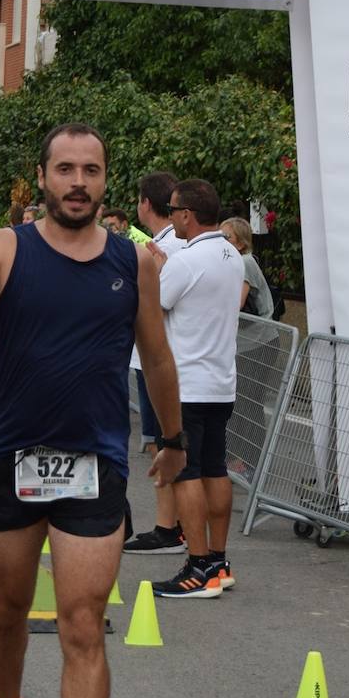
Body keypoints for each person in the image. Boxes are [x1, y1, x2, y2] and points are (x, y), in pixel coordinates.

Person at [0, 124, 184, 698]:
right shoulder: (4, 248)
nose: (77, 182)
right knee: (6, 607)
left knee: (81, 624)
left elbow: (156, 357)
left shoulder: (136, 262)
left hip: (96, 465)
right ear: (41, 178)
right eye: (64, 169)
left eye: (90, 170)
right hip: (12, 456)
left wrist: (175, 441)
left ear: (105, 180)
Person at [147, 179, 244, 599]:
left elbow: (154, 304)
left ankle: (199, 565)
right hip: (221, 381)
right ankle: (219, 562)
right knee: (215, 470)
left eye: (172, 211)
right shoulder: (231, 254)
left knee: (185, 473)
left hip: (187, 382)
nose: (170, 218)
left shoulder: (187, 260)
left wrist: (154, 267)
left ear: (186, 214)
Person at [122, 172, 188, 556]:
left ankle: (168, 527)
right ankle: (170, 525)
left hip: (158, 356)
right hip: (156, 355)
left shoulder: (160, 249)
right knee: (161, 441)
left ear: (146, 203)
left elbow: (156, 301)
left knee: (162, 443)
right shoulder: (168, 245)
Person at [220, 217, 273, 318]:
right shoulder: (230, 261)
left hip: (258, 330)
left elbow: (238, 303)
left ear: (240, 244)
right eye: (219, 237)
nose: (220, 241)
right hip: (245, 328)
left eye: (226, 237)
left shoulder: (245, 261)